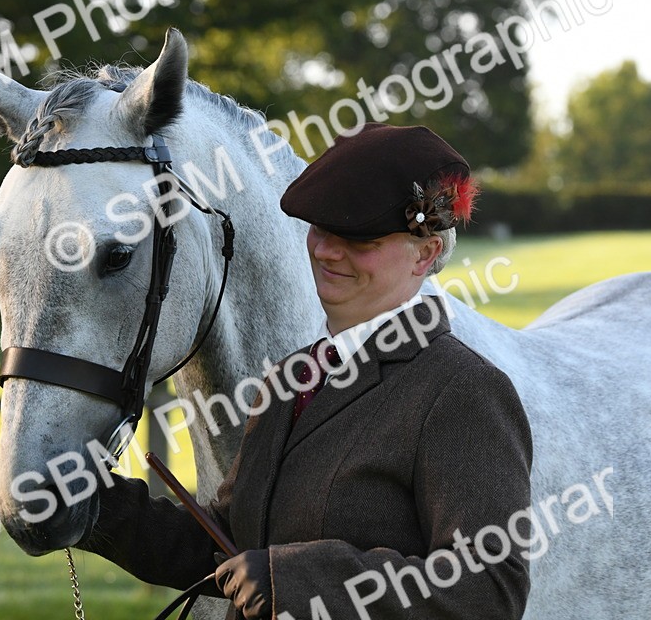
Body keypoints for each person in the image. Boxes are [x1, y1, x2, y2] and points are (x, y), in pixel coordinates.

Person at [79, 123, 533, 620]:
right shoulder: (290, 378)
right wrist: (89, 504)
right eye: (321, 229)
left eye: (358, 238)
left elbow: (488, 591)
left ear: (424, 254)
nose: (325, 251)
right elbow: (226, 545)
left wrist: (294, 579)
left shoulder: (464, 391)